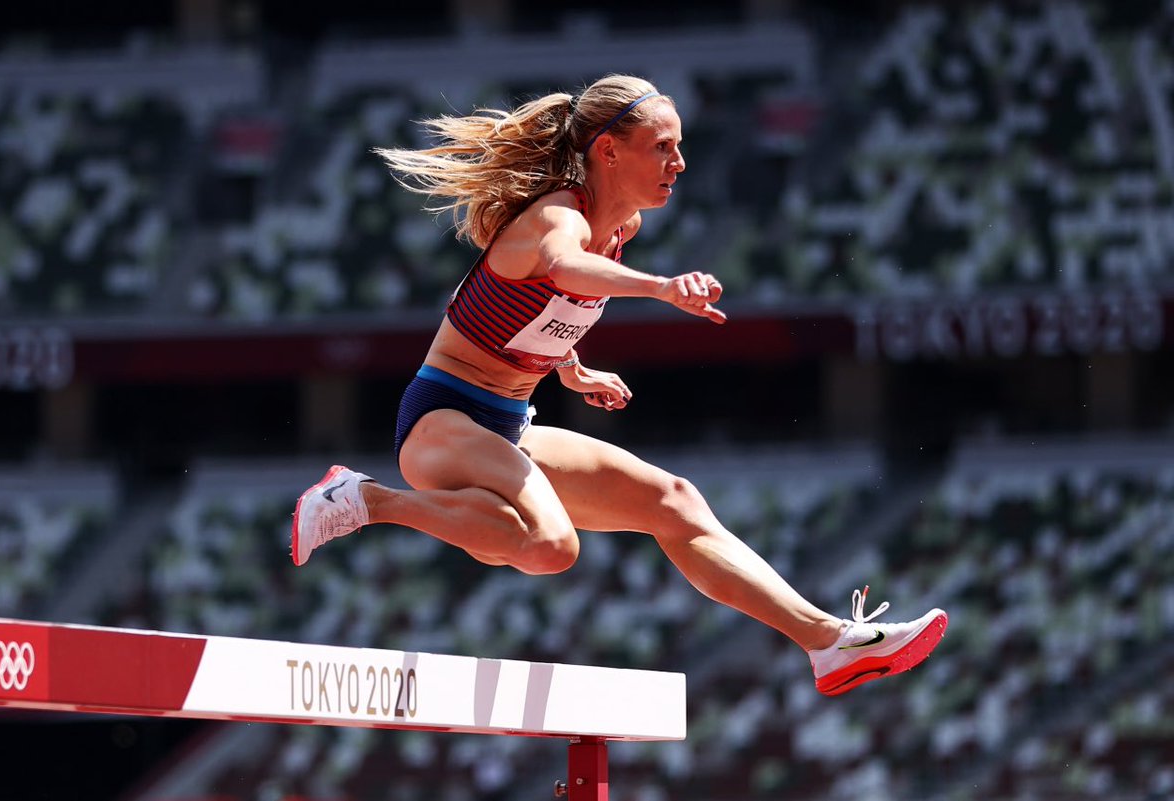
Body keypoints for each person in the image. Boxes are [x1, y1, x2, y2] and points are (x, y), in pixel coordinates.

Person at [290, 75, 947, 695]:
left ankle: (829, 643)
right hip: (442, 420)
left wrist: (572, 367)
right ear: (608, 151)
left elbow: (540, 307)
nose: (680, 163)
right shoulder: (559, 219)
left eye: (680, 147)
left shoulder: (618, 230)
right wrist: (662, 288)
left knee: (674, 501)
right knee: (550, 546)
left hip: (506, 425)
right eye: (663, 147)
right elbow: (563, 267)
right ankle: (366, 499)